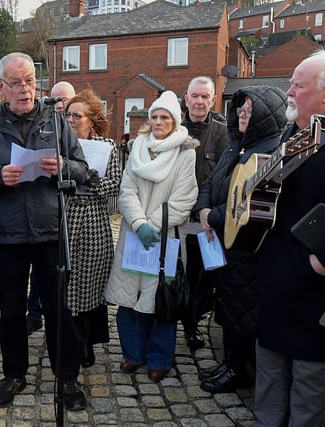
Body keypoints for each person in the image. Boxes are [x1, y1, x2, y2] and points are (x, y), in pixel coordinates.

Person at [0, 52, 89, 410]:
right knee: (12, 311)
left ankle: (67, 377)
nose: (25, 89)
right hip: (6, 235)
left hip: (50, 231)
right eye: (16, 83)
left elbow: (82, 168)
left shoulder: (55, 120)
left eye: (30, 80)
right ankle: (14, 374)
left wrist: (64, 166)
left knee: (57, 309)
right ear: (1, 87)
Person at [253, 50, 325, 427]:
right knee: (269, 381)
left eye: (298, 84)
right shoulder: (294, 132)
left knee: (310, 395)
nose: (289, 91)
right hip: (278, 280)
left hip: (319, 291)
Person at [191, 86, 287, 393]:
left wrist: (212, 216)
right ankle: (230, 362)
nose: (243, 115)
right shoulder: (237, 145)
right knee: (229, 307)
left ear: (265, 115)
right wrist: (204, 208)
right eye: (241, 110)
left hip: (246, 249)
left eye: (249, 111)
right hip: (225, 242)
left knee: (241, 312)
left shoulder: (269, 152)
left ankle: (238, 369)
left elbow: (247, 201)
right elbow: (212, 181)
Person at [104, 90, 198, 383]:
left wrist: (153, 225)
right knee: (129, 297)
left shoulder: (185, 152)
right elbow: (127, 189)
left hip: (164, 237)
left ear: (174, 121)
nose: (158, 122)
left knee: (160, 300)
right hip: (135, 233)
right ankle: (133, 353)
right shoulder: (138, 148)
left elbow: (184, 198)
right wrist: (139, 222)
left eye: (165, 117)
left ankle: (159, 357)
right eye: (155, 116)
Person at [64, 89, 121, 368]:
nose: (71, 119)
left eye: (77, 115)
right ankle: (66, 340)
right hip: (63, 219)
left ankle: (86, 340)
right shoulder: (58, 146)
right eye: (68, 115)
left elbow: (114, 184)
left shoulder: (106, 146)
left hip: (94, 221)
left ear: (92, 120)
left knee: (90, 282)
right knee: (66, 282)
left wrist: (86, 179)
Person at [25, 79, 78, 336]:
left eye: (64, 101)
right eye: (54, 100)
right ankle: (34, 313)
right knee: (40, 275)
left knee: (64, 278)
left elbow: (85, 170)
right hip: (44, 214)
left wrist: (66, 167)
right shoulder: (44, 125)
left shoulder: (68, 132)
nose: (58, 105)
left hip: (76, 218)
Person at [181, 76, 228, 351]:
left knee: (202, 278)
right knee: (178, 275)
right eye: (194, 96)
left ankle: (192, 324)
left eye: (205, 97)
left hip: (205, 222)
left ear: (213, 100)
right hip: (177, 218)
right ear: (186, 99)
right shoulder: (173, 129)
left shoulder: (224, 134)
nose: (199, 101)